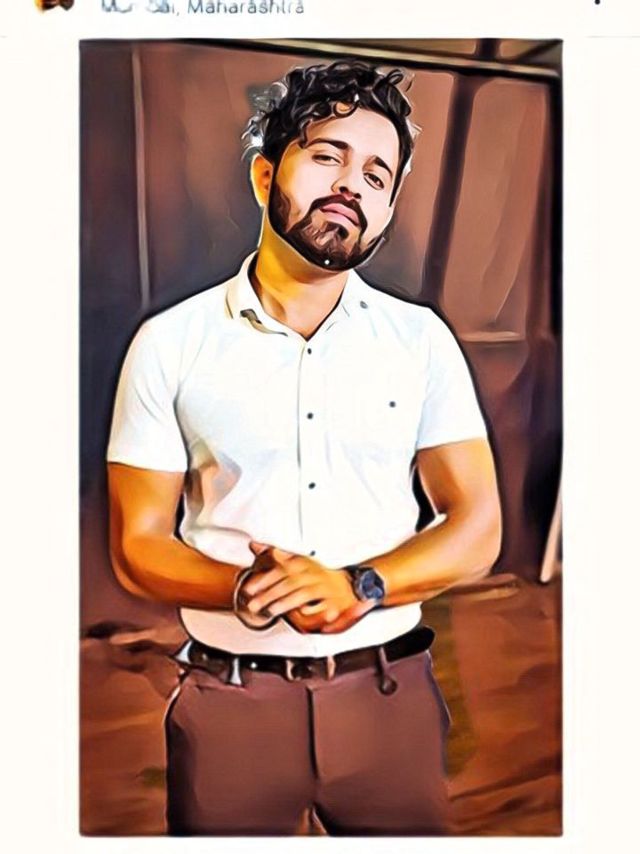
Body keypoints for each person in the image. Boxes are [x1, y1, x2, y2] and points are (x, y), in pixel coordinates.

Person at [106, 59, 502, 836]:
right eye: (328, 156)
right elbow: (137, 543)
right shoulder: (170, 343)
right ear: (265, 176)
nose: (353, 184)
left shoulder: (420, 342)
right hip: (229, 704)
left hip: (390, 700)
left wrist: (362, 586)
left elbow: (478, 525)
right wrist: (247, 590)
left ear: (387, 210)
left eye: (377, 174)